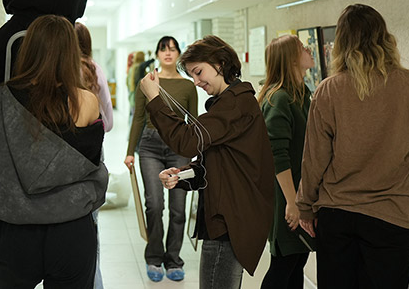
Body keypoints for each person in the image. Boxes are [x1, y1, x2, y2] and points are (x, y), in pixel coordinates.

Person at [296, 4, 409, 289]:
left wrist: (305, 208)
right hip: (391, 220)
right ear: (384, 38)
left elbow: (314, 160)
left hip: (337, 218)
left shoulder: (328, 90)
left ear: (341, 44)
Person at [0, 15, 107, 288]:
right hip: (71, 230)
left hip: (16, 231)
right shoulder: (86, 101)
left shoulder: (0, 100)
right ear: (71, 53)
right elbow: (93, 166)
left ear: (29, 48)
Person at [144, 35, 275, 289]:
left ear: (220, 64)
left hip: (228, 224)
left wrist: (154, 99)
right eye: (192, 75)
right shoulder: (230, 102)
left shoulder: (235, 104)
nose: (196, 81)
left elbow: (187, 141)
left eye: (198, 72)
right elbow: (220, 163)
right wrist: (182, 176)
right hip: (227, 219)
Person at [124, 37, 197, 282]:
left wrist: (198, 153)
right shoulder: (147, 82)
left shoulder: (188, 86)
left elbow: (193, 120)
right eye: (163, 49)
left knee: (178, 208)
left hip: (179, 148)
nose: (168, 53)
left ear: (178, 54)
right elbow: (138, 118)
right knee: (154, 205)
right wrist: (130, 151)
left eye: (172, 49)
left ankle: (173, 259)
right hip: (150, 147)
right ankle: (154, 257)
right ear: (156, 54)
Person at [258, 35, 315, 289]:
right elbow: (276, 153)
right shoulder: (279, 98)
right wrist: (293, 202)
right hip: (286, 195)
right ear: (291, 59)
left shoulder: (301, 93)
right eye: (303, 48)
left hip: (299, 194)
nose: (309, 49)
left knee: (296, 263)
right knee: (283, 267)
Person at [75, 22, 113, 289]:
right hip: (91, 151)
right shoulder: (94, 69)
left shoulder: (54, 69)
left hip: (57, 153)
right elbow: (107, 122)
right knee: (91, 226)